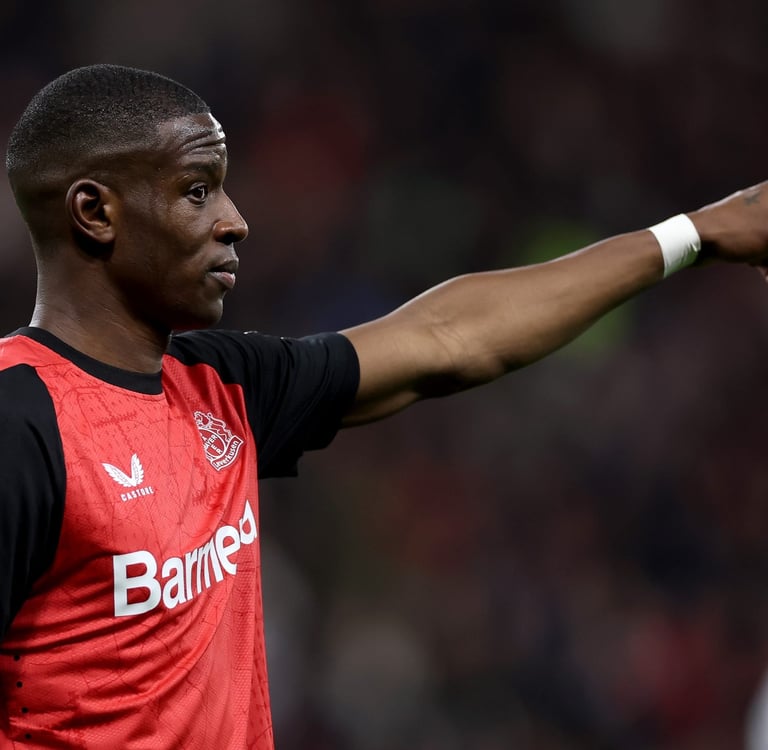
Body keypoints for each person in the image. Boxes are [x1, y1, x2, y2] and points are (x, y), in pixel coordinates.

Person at [0, 63, 766, 750]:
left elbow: (448, 337)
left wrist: (694, 233)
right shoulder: (19, 423)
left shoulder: (220, 387)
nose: (234, 219)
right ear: (95, 212)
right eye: (197, 191)